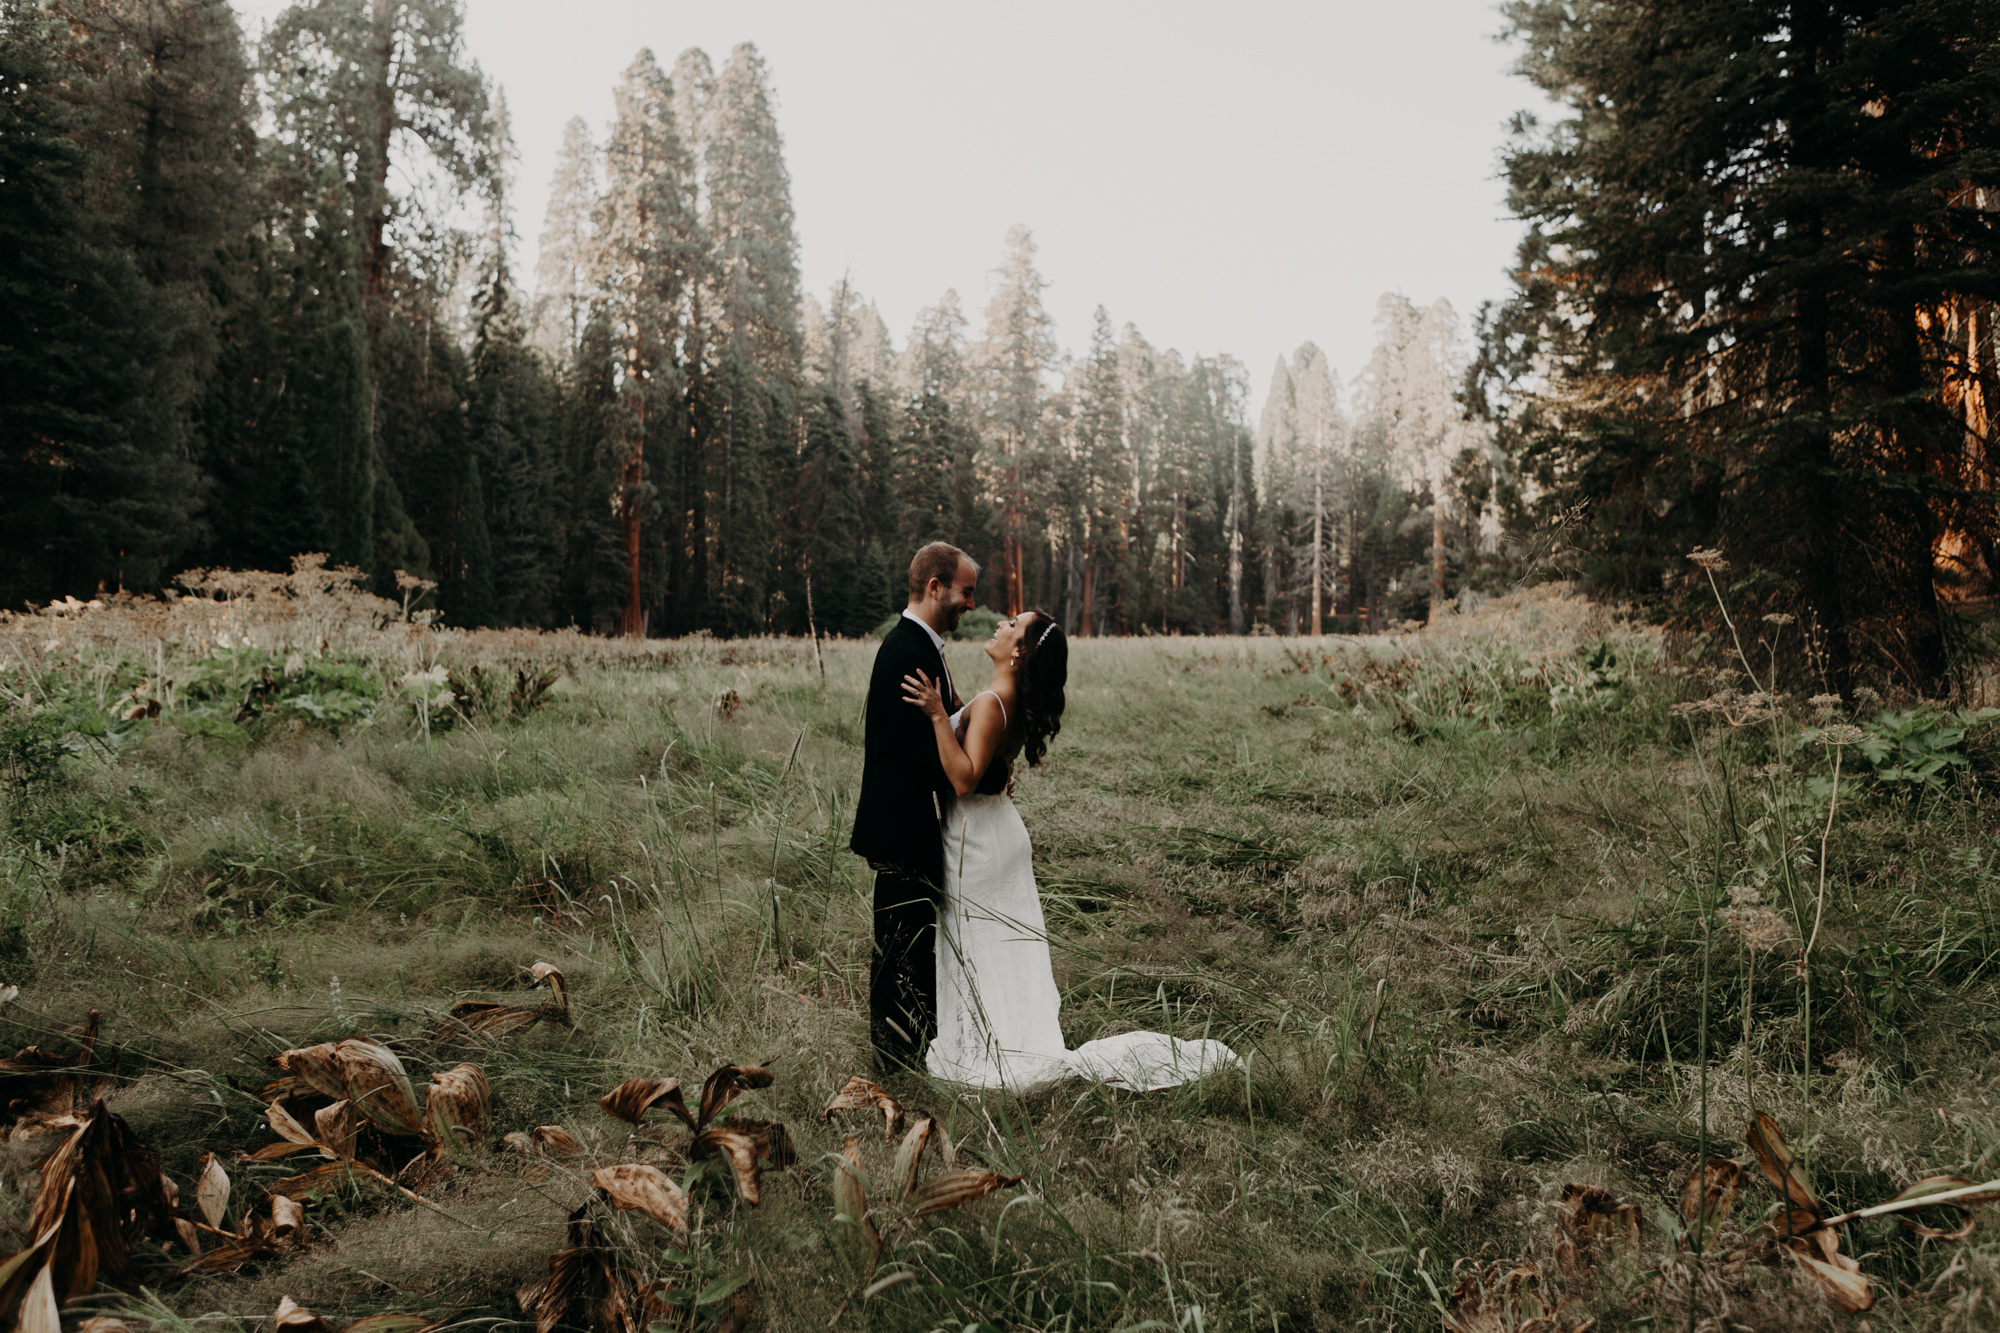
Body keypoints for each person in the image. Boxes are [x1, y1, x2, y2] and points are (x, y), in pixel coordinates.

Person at [901, 609, 1239, 1092]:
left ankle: (991, 1050)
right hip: (995, 828)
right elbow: (988, 765)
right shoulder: (1008, 700)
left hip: (977, 839)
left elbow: (962, 778)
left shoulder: (995, 701)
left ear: (1019, 652)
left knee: (980, 945)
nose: (1001, 624)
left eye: (1012, 624)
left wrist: (937, 714)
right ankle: (1003, 1039)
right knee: (997, 946)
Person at [850, 542, 979, 1073]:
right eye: (965, 591)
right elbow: (916, 758)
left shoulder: (921, 647)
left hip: (909, 823)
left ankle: (910, 1046)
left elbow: (939, 728)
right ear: (935, 587)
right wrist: (979, 772)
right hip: (901, 827)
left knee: (910, 944)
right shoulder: (907, 653)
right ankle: (894, 1056)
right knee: (901, 947)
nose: (970, 603)